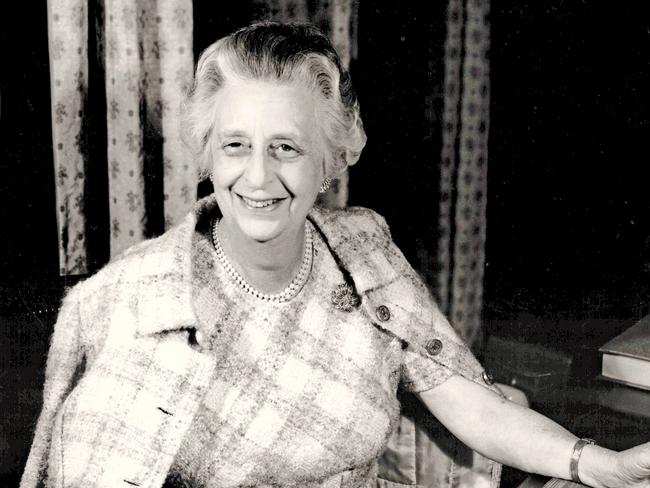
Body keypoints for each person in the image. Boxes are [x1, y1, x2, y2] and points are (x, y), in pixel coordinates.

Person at [21, 21, 650, 488]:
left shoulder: (364, 249)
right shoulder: (130, 299)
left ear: (330, 161)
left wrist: (599, 464)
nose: (259, 177)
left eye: (287, 148)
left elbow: (470, 403)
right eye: (236, 144)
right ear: (206, 154)